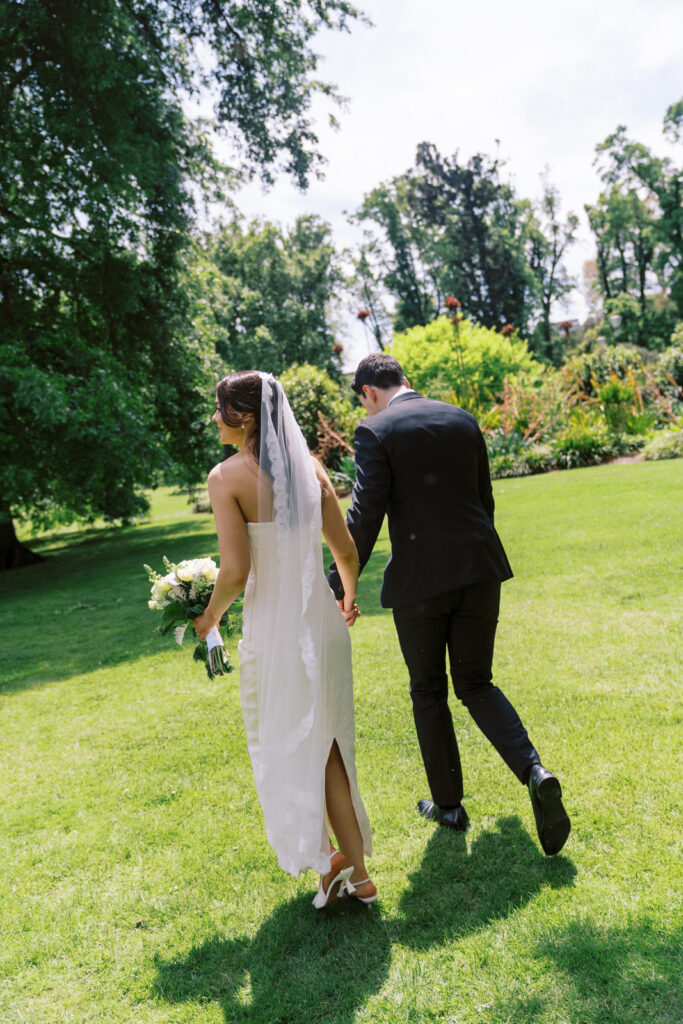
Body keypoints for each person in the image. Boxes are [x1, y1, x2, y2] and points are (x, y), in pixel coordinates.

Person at [327, 354, 570, 856]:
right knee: (476, 683)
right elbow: (485, 500)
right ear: (403, 381)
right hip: (481, 569)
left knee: (428, 691)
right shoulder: (462, 418)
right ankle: (535, 771)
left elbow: (365, 517)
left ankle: (449, 805)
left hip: (421, 584)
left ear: (368, 392)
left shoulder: (374, 431)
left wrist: (338, 586)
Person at [193, 371, 377, 906]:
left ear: (245, 416)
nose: (214, 418)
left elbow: (234, 570)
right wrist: (346, 597)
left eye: (220, 408)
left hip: (277, 625)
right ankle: (341, 866)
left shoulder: (225, 478)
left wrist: (208, 620)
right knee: (329, 744)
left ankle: (349, 868)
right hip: (319, 621)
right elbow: (345, 551)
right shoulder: (311, 469)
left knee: (300, 745)